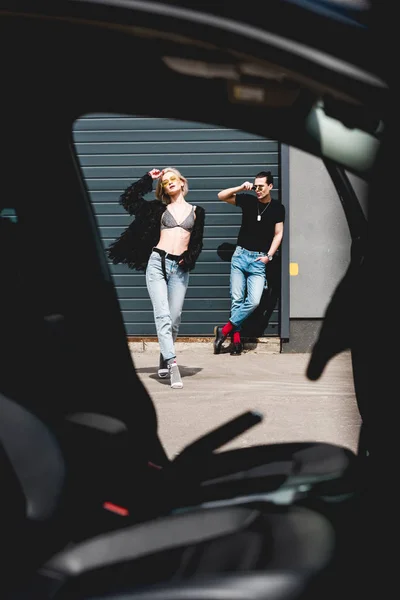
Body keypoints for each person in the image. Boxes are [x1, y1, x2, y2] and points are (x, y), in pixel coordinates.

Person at [107, 167, 205, 388]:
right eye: (164, 181)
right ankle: (172, 363)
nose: (168, 182)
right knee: (162, 315)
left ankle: (163, 355)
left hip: (180, 268)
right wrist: (147, 179)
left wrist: (188, 259)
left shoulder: (198, 211)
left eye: (172, 178)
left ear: (181, 182)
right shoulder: (157, 209)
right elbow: (128, 199)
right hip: (157, 264)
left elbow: (197, 243)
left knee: (174, 317)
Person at [213, 171, 285, 356]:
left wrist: (269, 255)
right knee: (237, 300)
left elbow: (278, 234)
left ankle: (225, 329)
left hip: (258, 261)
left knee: (253, 301)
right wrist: (240, 187)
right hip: (240, 257)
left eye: (261, 186)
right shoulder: (248, 200)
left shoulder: (277, 208)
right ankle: (236, 342)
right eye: (256, 186)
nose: (258, 189)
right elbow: (221, 195)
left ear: (270, 186)